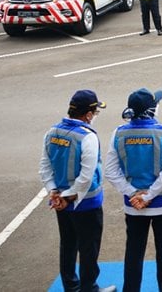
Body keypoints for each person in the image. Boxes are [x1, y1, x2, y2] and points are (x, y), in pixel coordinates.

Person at [105, 88, 162, 292]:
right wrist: (149, 195)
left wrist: (133, 193)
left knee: (134, 251)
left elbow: (111, 171)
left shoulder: (119, 133)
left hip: (134, 205)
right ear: (152, 109)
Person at [39, 90, 116, 292]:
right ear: (88, 115)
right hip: (86, 203)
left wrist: (54, 192)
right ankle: (89, 288)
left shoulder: (52, 132)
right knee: (88, 249)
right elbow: (86, 176)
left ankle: (71, 287)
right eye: (95, 112)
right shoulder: (87, 137)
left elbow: (45, 166)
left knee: (68, 245)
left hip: (61, 203)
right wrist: (68, 197)